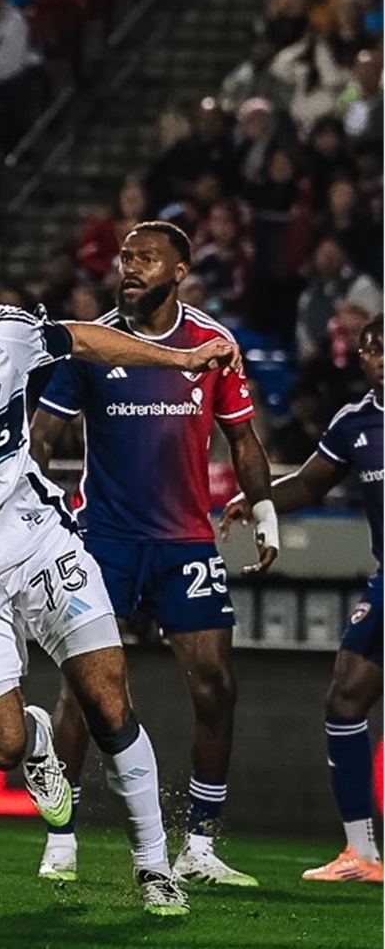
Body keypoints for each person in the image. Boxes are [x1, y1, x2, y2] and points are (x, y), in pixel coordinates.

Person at [0, 210, 243, 915]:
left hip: (43, 547)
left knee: (109, 703)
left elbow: (81, 338)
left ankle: (154, 866)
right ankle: (34, 744)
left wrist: (179, 361)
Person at [31, 220, 277, 888]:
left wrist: (265, 514)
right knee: (84, 692)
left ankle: (199, 845)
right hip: (105, 542)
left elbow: (243, 438)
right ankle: (62, 838)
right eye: (124, 257)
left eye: (145, 257)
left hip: (186, 542)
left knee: (216, 687)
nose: (129, 266)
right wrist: (34, 517)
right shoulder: (91, 345)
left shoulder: (213, 344)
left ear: (180, 271)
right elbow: (42, 436)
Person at [223, 314, 384, 884]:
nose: (379, 359)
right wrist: (258, 499)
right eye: (370, 351)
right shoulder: (355, 422)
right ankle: (362, 854)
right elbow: (312, 483)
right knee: (346, 699)